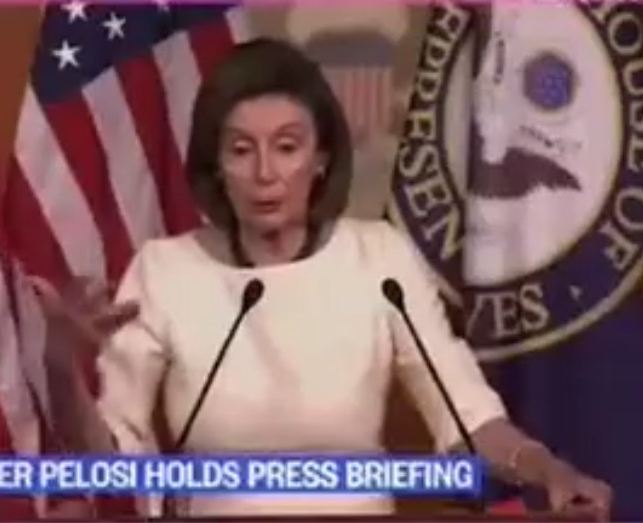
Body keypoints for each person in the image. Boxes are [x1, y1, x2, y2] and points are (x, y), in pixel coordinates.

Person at [31, 37, 612, 520]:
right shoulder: (165, 270)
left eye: (286, 147)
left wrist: (546, 470)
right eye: (241, 150)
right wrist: (61, 367)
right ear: (217, 166)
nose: (265, 173)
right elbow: (112, 465)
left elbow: (467, 418)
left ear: (321, 159)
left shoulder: (378, 259)